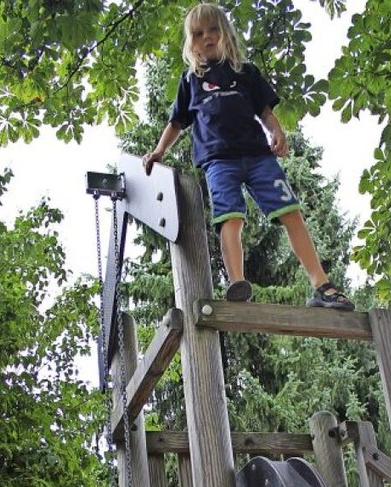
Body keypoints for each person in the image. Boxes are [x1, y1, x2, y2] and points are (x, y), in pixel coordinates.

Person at [143, 2, 354, 310]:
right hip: (218, 161)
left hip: (258, 157)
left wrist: (276, 131)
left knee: (291, 212)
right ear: (191, 42)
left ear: (226, 32)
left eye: (214, 29)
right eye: (198, 33)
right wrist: (159, 151)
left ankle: (321, 284)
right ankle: (237, 282)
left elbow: (265, 111)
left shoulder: (246, 73)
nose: (207, 37)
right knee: (230, 216)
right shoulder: (191, 80)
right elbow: (177, 122)